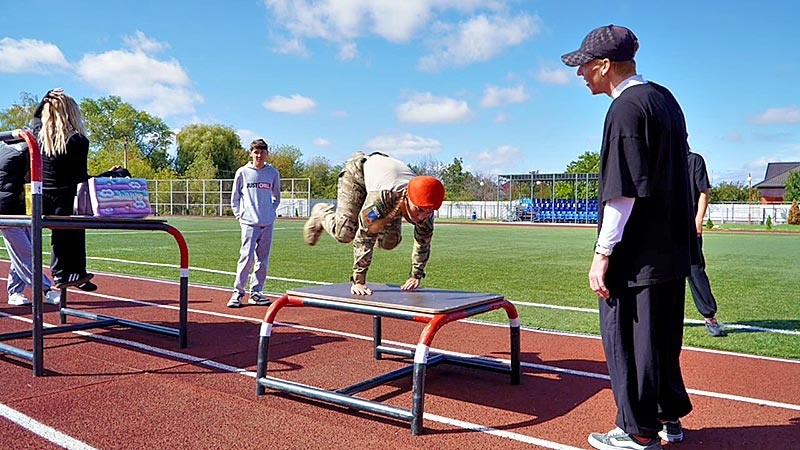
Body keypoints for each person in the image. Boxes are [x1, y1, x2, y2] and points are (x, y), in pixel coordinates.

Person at [562, 25, 695, 449]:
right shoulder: (664, 99)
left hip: (638, 254)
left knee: (628, 340)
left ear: (604, 65)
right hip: (673, 249)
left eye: (584, 66)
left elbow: (622, 190)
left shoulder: (624, 110)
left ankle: (636, 431)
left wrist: (602, 253)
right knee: (661, 340)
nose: (580, 74)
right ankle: (667, 418)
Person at [304, 152, 445, 296]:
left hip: (388, 186)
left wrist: (416, 275)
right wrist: (358, 281)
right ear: (407, 198)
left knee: (389, 242)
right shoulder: (383, 199)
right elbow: (364, 237)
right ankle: (321, 213)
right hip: (358, 175)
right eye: (419, 210)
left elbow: (423, 242)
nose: (421, 216)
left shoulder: (427, 204)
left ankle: (375, 223)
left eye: (428, 212)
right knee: (345, 234)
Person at [33, 88, 97, 291]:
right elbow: (80, 177)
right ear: (72, 112)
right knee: (75, 227)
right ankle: (74, 271)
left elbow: (35, 119)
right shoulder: (78, 141)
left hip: (40, 198)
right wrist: (108, 175)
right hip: (64, 196)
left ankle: (62, 273)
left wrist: (45, 98)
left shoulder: (37, 137)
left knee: (61, 233)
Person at [0, 141, 60, 306]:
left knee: (21, 253)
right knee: (27, 254)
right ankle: (46, 290)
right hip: (9, 211)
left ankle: (14, 292)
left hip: (17, 208)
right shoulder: (27, 151)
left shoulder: (8, 150)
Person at [227, 139, 281, 308]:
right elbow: (235, 198)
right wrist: (240, 215)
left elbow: (276, 197)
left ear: (266, 154)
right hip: (249, 223)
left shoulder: (272, 173)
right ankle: (238, 293)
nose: (259, 155)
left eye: (262, 152)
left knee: (263, 260)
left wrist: (270, 212)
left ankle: (256, 293)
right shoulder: (242, 172)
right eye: (256, 152)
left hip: (267, 223)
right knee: (246, 258)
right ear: (250, 153)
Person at [687, 150, 725, 337]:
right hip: (663, 230)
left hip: (688, 229)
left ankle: (710, 317)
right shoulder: (661, 159)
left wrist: (698, 220)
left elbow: (703, 191)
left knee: (695, 271)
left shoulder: (694, 161)